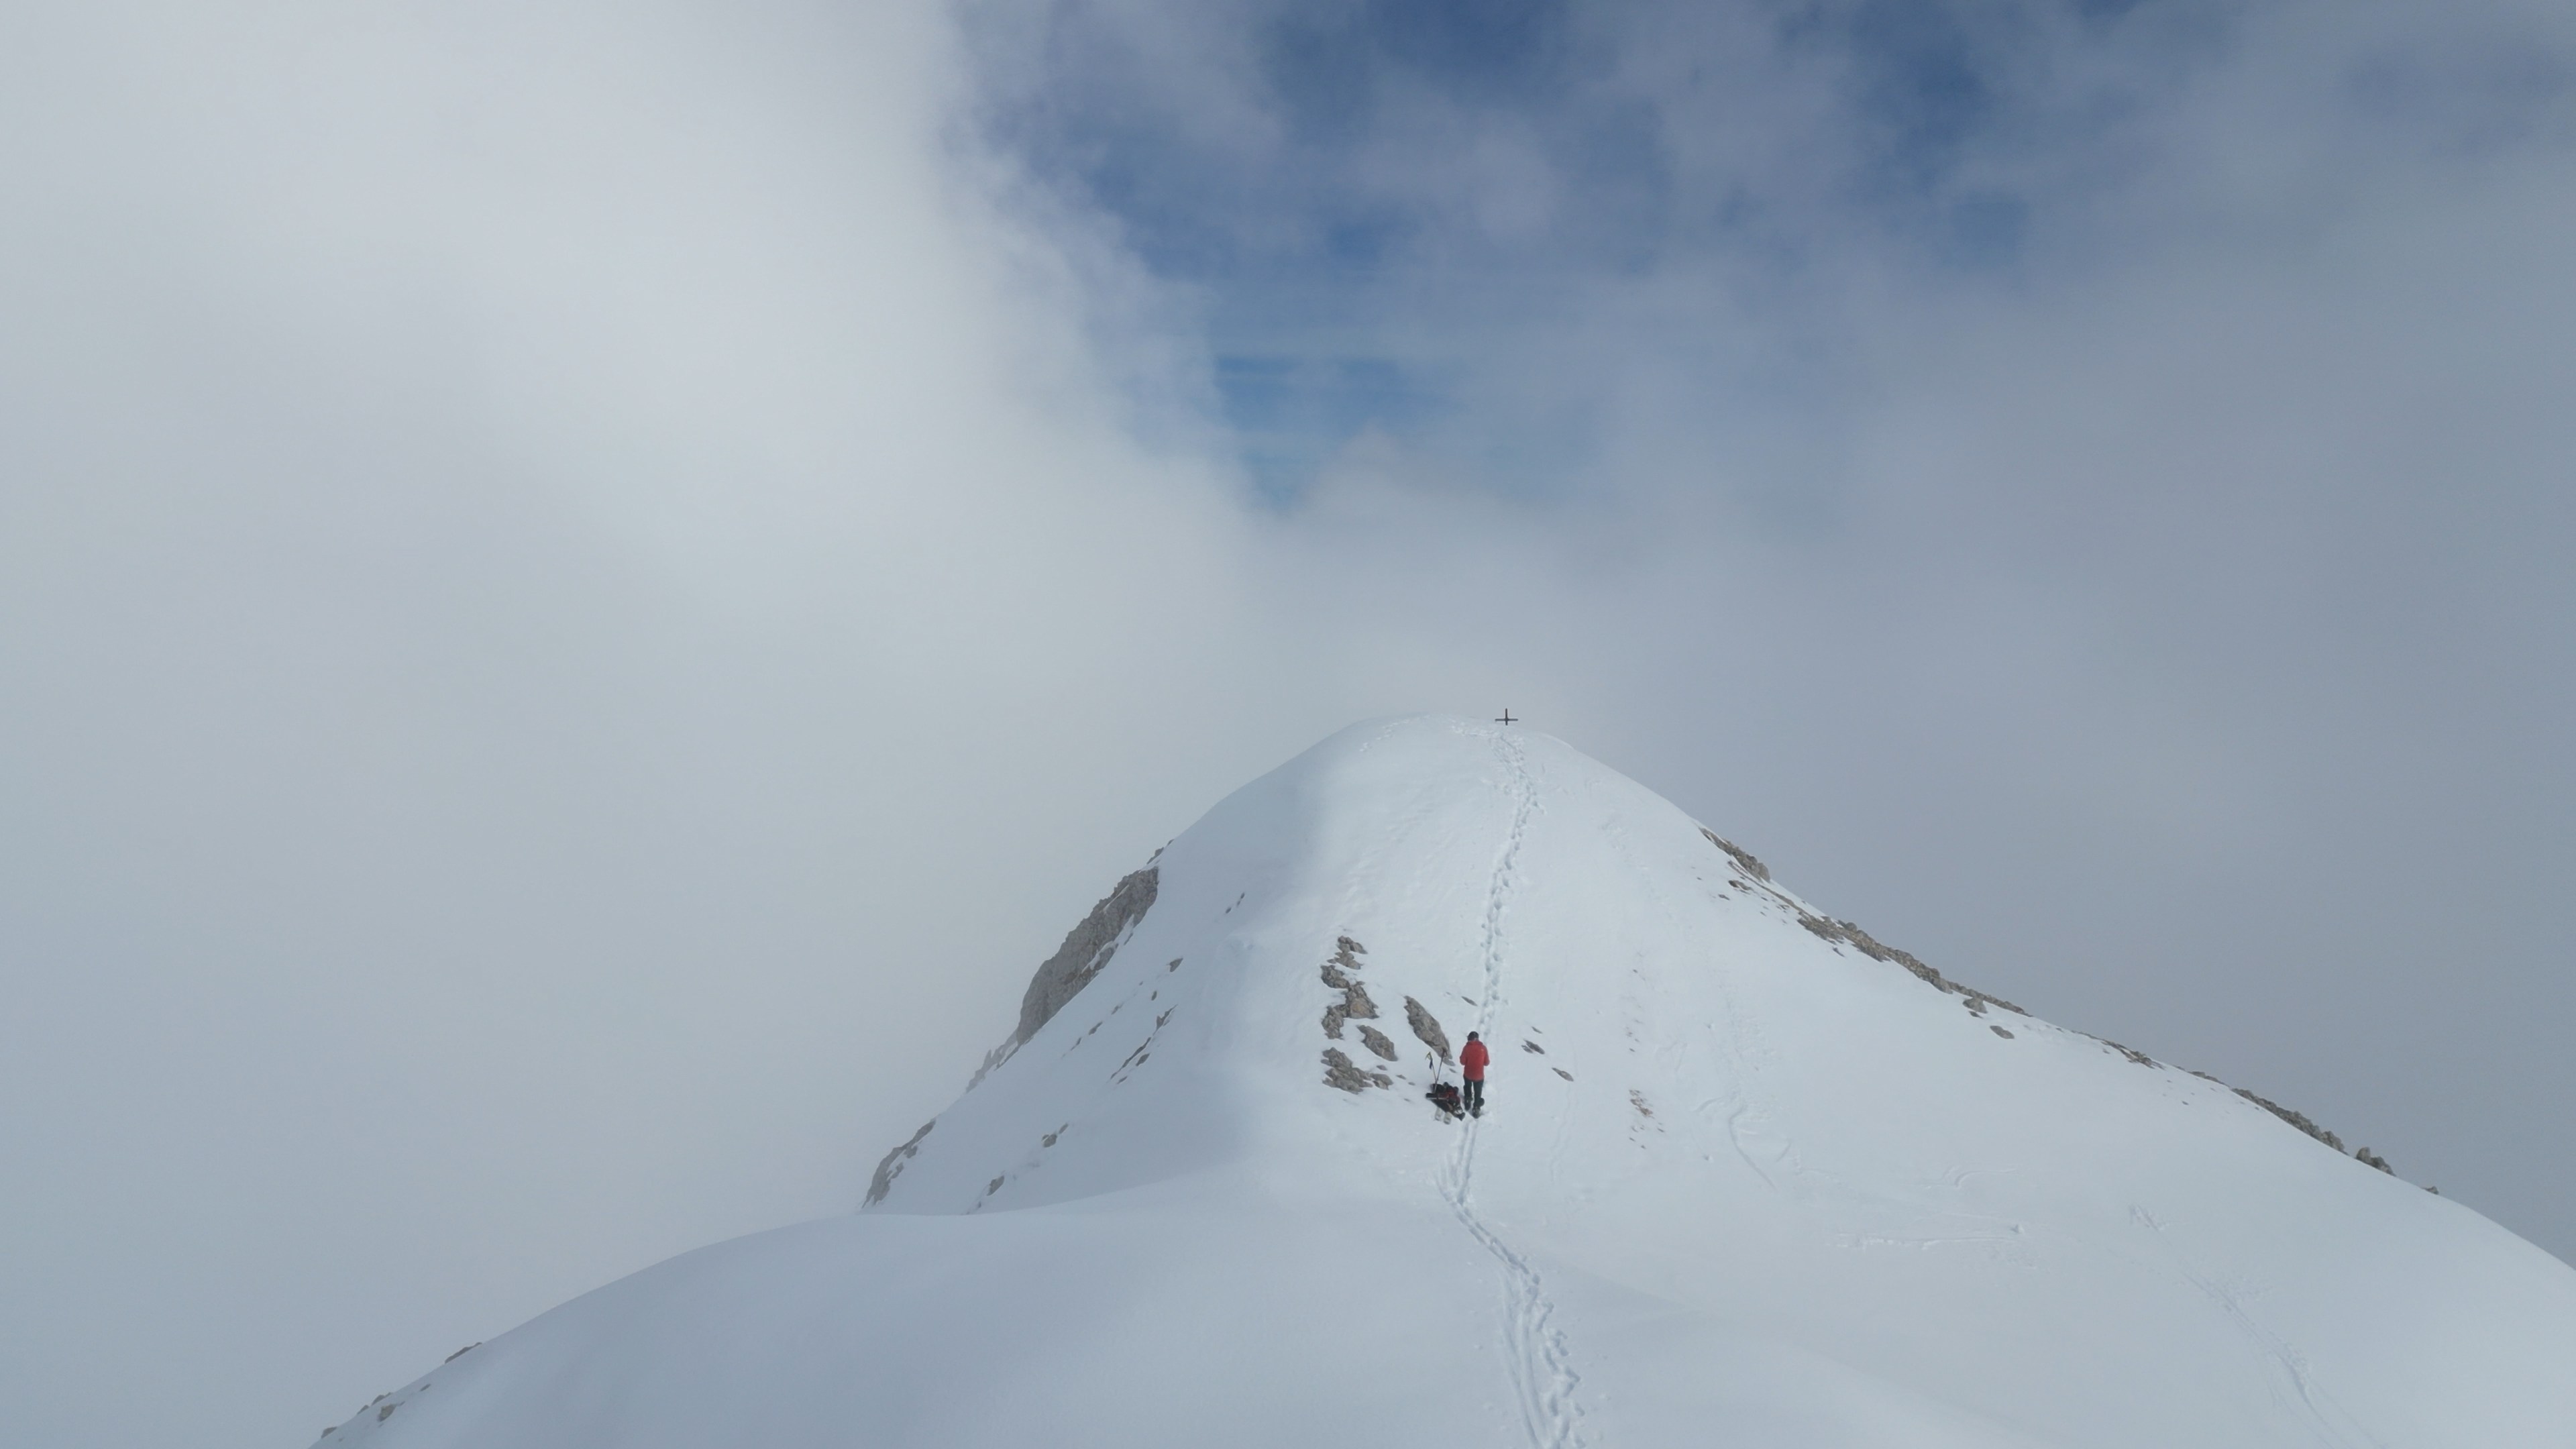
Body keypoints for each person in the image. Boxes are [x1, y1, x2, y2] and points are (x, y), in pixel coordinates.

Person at [1459, 1032, 1489, 1116]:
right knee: (1478, 1091)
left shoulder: (1466, 1048)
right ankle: (1476, 1107)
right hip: (1479, 1076)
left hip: (1468, 1074)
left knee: (1467, 1086)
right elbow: (1487, 1063)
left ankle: (1468, 1100)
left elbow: (1462, 1062)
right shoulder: (1483, 1048)